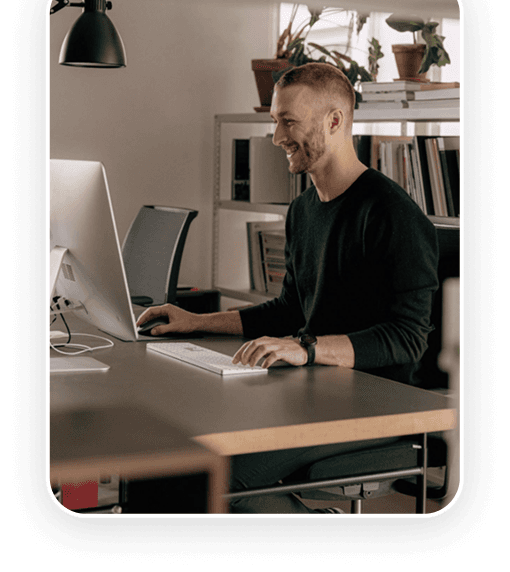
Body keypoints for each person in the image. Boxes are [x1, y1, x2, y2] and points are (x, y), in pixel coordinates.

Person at [137, 62, 439, 513]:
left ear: (334, 121)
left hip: (375, 406)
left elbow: (408, 339)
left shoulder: (393, 215)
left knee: (207, 472)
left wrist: (309, 349)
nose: (277, 137)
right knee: (166, 456)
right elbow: (287, 310)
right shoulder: (302, 210)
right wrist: (195, 321)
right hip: (311, 389)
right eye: (275, 121)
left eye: (288, 122)